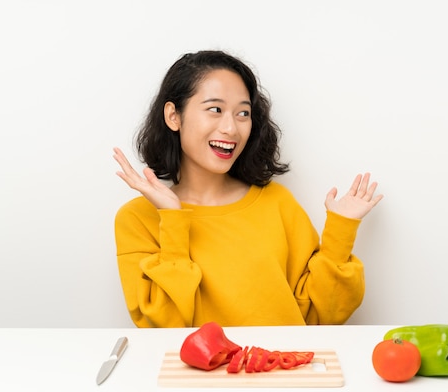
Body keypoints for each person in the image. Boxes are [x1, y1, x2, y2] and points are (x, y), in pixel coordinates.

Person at [113, 50, 383, 328]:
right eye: (215, 109)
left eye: (243, 113)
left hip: (280, 368)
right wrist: (172, 220)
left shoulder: (277, 202)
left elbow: (321, 315)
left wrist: (340, 232)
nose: (231, 128)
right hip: (198, 373)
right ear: (173, 116)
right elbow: (161, 328)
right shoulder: (137, 219)